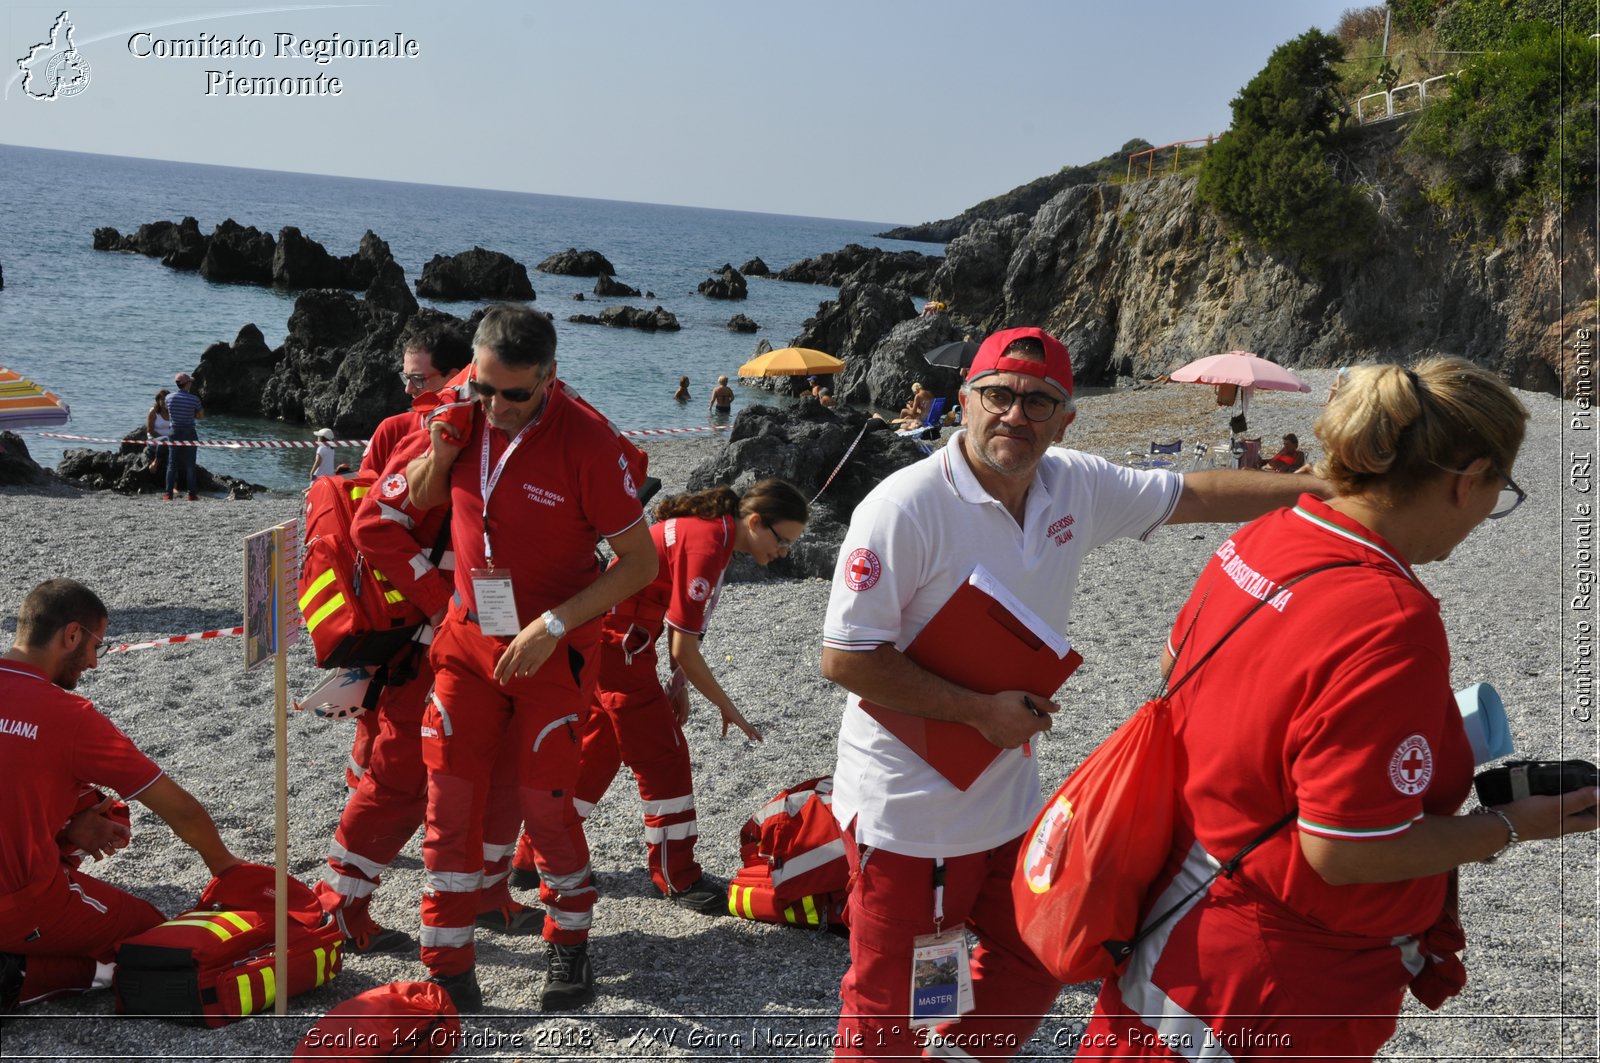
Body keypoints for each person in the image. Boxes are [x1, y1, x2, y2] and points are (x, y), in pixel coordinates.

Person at [819, 327, 1328, 1061]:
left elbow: (1194, 494)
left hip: (1007, 798)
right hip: (910, 814)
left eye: (1038, 401)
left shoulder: (1073, 484)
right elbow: (844, 656)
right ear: (963, 402)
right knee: (889, 1006)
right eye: (997, 395)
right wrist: (976, 710)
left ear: (1065, 419)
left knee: (1039, 956)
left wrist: (1315, 491)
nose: (1014, 415)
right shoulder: (904, 506)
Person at [1084, 357, 1600, 1060]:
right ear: (1467, 479)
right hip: (1265, 989)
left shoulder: (1266, 535)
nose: (1487, 515)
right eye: (1498, 492)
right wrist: (1509, 825)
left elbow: (1179, 673)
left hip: (1174, 925)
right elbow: (1345, 851)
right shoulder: (1391, 618)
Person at [397, 303, 658, 1011]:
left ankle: (569, 947)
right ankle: (447, 965)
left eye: (515, 393)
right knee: (447, 807)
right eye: (484, 388)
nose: (497, 407)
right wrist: (443, 447)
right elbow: (418, 500)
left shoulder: (588, 442)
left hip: (552, 649)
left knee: (546, 810)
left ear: (549, 377)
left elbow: (639, 562)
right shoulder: (462, 410)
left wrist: (552, 623)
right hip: (466, 642)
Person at [0, 579, 243, 1010]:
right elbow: (178, 808)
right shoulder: (70, 717)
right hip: (16, 904)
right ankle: (19, 975)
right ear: (71, 635)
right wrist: (227, 868)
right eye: (97, 645)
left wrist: (70, 820)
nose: (93, 662)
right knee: (149, 937)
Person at [572, 479, 807, 913]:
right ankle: (676, 874)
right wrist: (727, 705)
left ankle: (538, 855)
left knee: (599, 749)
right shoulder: (708, 543)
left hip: (614, 644)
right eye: (783, 540)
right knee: (666, 758)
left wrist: (678, 683)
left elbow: (675, 621)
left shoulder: (710, 530)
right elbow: (684, 644)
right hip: (619, 649)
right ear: (755, 522)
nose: (784, 552)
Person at [360, 323, 474, 477]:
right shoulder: (391, 431)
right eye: (406, 377)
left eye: (418, 379)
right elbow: (363, 490)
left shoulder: (487, 435)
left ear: (453, 378)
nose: (408, 389)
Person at [163, 372, 203, 502]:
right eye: (190, 382)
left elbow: (167, 414)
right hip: (189, 431)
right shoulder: (194, 399)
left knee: (172, 464)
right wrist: (193, 415)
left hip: (174, 431)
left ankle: (168, 494)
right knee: (190, 464)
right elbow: (201, 416)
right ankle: (191, 494)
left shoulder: (169, 398)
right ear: (187, 384)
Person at [143, 389, 171, 474]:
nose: (164, 402)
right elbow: (150, 430)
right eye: (162, 399)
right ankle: (155, 463)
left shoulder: (171, 412)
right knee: (165, 440)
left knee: (171, 458)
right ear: (158, 400)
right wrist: (163, 439)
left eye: (166, 399)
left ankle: (173, 484)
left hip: (169, 442)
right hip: (154, 440)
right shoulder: (153, 411)